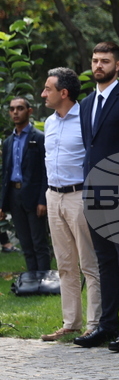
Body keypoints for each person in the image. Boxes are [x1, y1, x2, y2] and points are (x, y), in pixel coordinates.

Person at [75, 41, 119, 351]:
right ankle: (106, 325)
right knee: (104, 262)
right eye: (94, 60)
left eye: (104, 61)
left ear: (118, 66)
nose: (98, 65)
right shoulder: (86, 104)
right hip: (92, 193)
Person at [39, 68, 101, 341]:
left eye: (47, 89)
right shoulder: (49, 122)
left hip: (79, 195)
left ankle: (96, 323)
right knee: (65, 264)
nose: (43, 94)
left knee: (90, 263)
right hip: (54, 196)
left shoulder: (86, 119)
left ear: (64, 93)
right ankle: (71, 322)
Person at [0, 97, 50, 275]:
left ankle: (44, 279)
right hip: (14, 195)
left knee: (38, 241)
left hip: (34, 196)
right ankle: (31, 278)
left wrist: (43, 200)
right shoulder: (7, 142)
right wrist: (2, 204)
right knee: (25, 242)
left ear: (29, 111)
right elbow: (5, 173)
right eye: (12, 109)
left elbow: (46, 171)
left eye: (20, 108)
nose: (15, 112)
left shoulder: (39, 138)